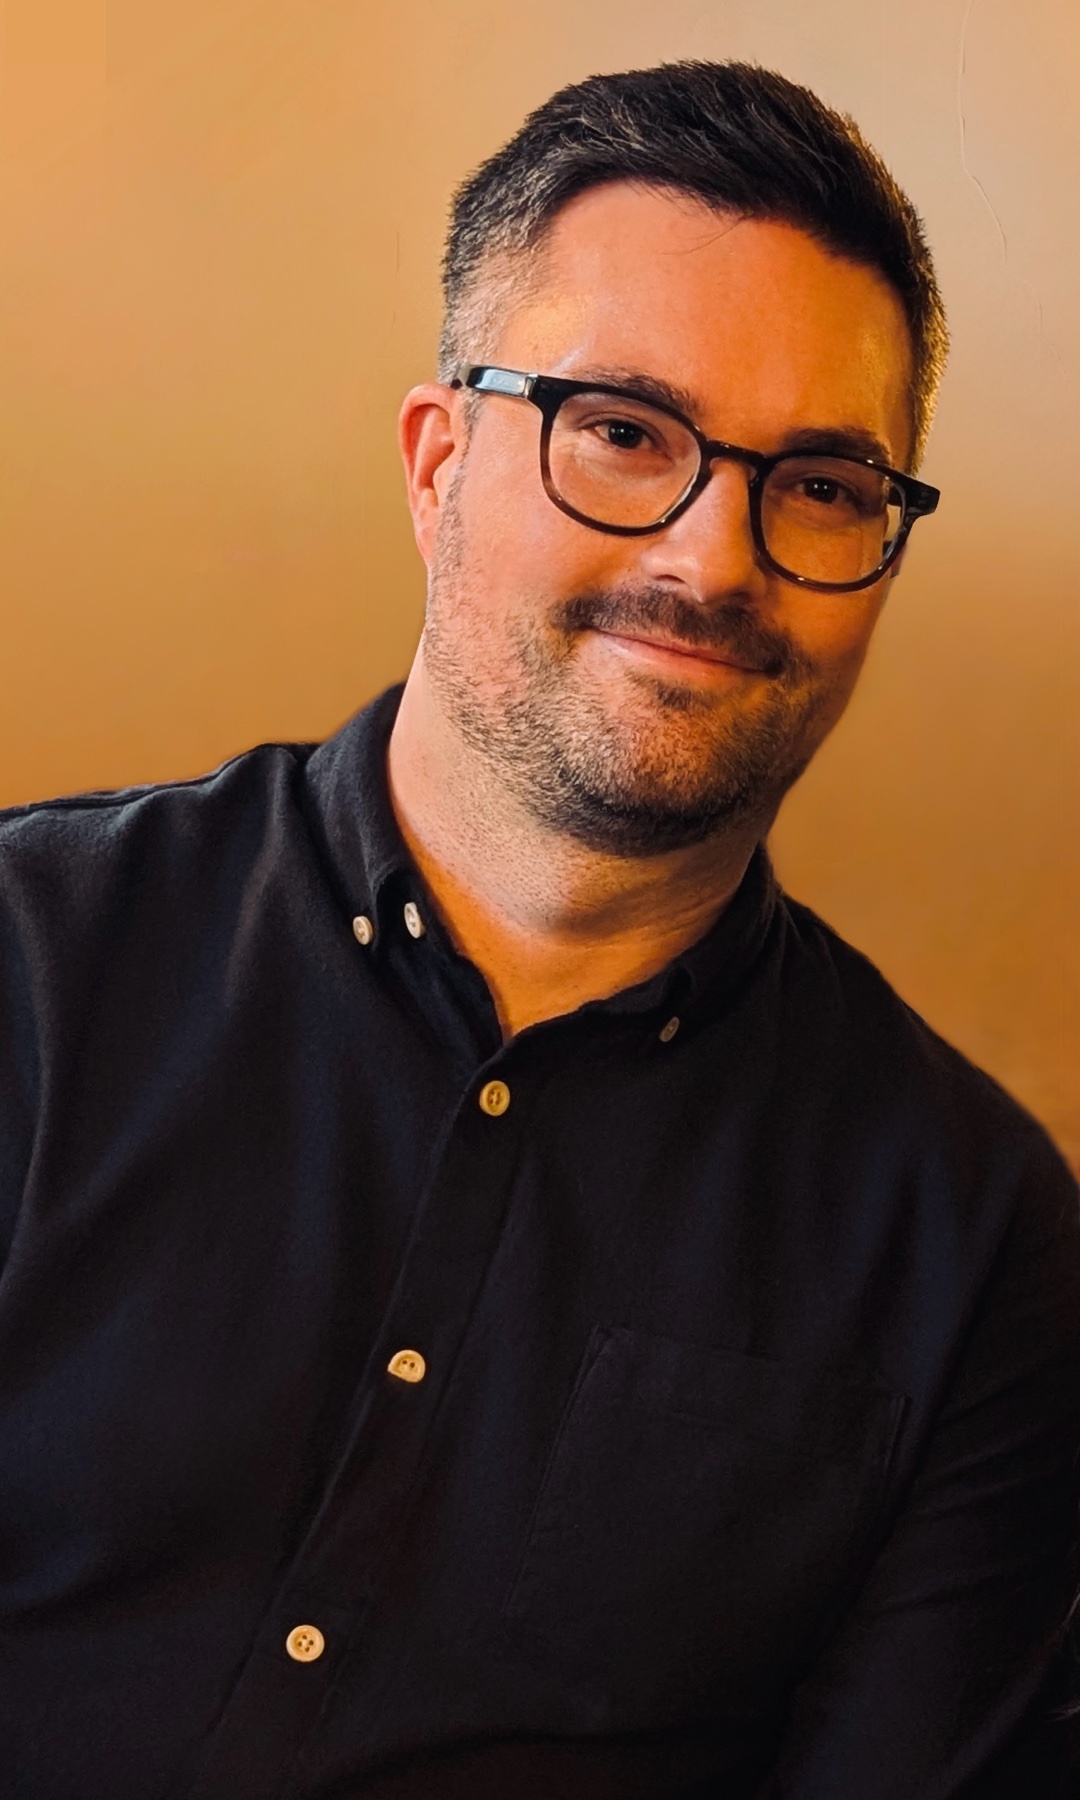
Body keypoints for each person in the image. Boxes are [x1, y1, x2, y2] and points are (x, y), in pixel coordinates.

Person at [0, 60, 1076, 1800]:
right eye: (626, 433)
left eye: (819, 480)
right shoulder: (32, 966)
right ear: (439, 463)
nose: (715, 559)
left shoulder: (972, 1240)